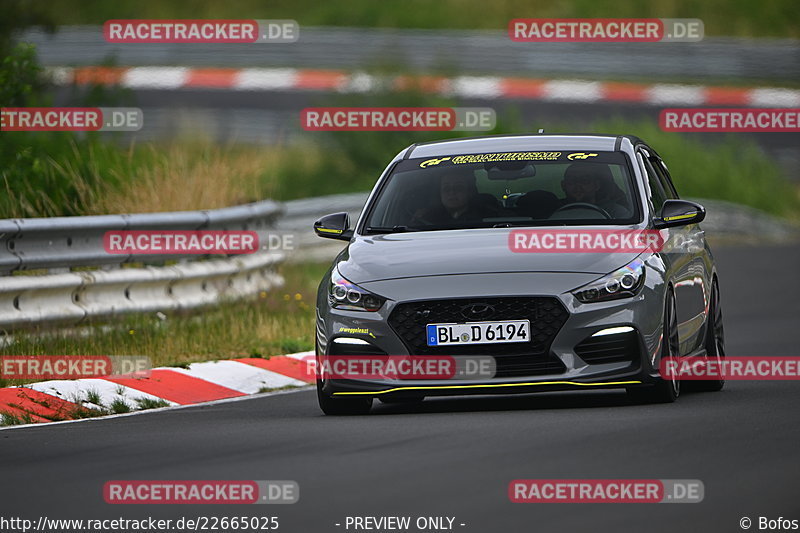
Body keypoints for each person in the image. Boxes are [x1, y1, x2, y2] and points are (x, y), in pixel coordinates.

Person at [412, 171, 494, 226]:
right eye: (446, 189)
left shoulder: (488, 217)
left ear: (469, 192)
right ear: (439, 193)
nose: (452, 193)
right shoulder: (425, 220)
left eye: (458, 188)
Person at [559, 163, 630, 218]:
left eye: (584, 181)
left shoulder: (616, 212)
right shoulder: (551, 210)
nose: (578, 186)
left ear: (596, 185)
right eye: (571, 181)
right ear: (563, 185)